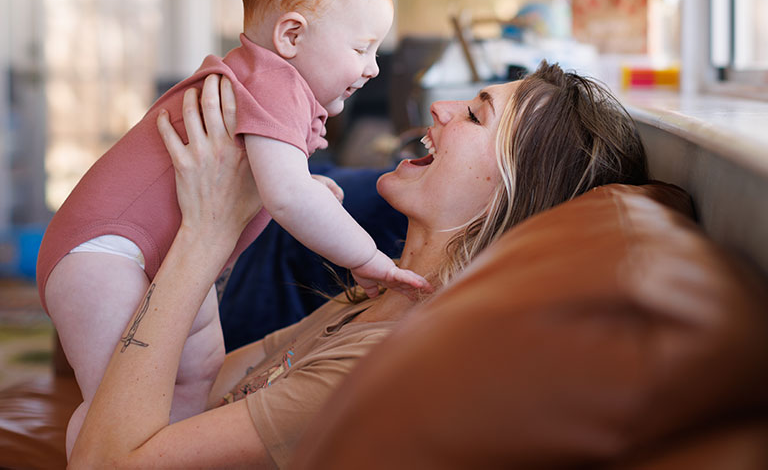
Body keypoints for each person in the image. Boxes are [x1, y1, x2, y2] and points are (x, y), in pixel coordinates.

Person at [69, 61, 648, 468]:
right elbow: (192, 389)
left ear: (510, 192)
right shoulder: (378, 300)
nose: (442, 108)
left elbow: (104, 462)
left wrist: (204, 235)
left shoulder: (384, 361)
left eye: (475, 116)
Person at [36, 0, 429, 457]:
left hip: (151, 256)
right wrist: (367, 258)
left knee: (198, 372)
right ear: (291, 35)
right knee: (115, 396)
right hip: (104, 252)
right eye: (362, 48)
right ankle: (95, 456)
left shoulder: (267, 83)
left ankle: (150, 455)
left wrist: (305, 184)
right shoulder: (277, 82)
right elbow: (285, 196)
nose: (373, 67)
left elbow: (270, 179)